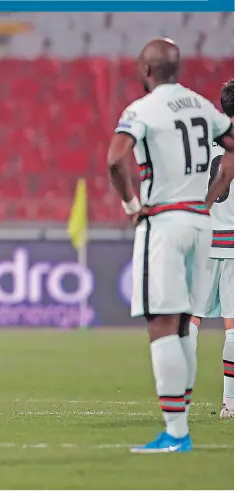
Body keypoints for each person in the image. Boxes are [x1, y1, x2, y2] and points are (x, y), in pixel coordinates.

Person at [106, 38, 234, 453]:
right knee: (184, 326)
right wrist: (212, 188)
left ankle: (176, 431)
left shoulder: (141, 110)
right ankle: (184, 420)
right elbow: (231, 143)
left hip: (164, 218)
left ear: (146, 71)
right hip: (202, 224)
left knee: (165, 323)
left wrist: (131, 204)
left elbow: (114, 158)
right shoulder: (202, 106)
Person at [190, 80, 235, 419]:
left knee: (191, 323)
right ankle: (230, 404)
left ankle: (179, 401)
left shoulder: (203, 142)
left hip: (204, 242)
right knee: (232, 328)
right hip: (233, 247)